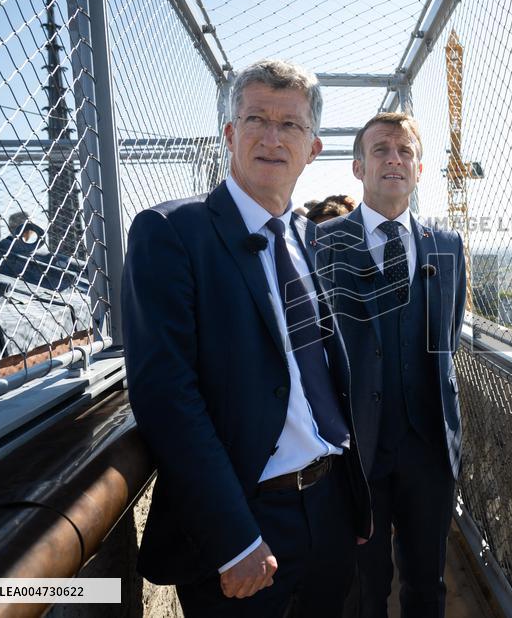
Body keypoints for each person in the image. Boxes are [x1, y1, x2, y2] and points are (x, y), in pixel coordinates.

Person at [121, 59, 370, 617]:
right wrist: (232, 538)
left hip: (329, 510)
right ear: (230, 134)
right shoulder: (172, 232)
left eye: (291, 125)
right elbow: (166, 396)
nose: (272, 137)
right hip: (247, 524)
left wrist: (349, 507)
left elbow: (320, 376)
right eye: (256, 118)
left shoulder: (302, 237)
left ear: (313, 149)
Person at [318, 112, 466, 618]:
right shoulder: (321, 244)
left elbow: (447, 336)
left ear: (419, 171)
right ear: (359, 167)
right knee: (364, 589)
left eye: (405, 151)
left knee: (428, 585)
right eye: (381, 150)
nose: (394, 159)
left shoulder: (447, 246)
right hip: (356, 451)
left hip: (427, 451)